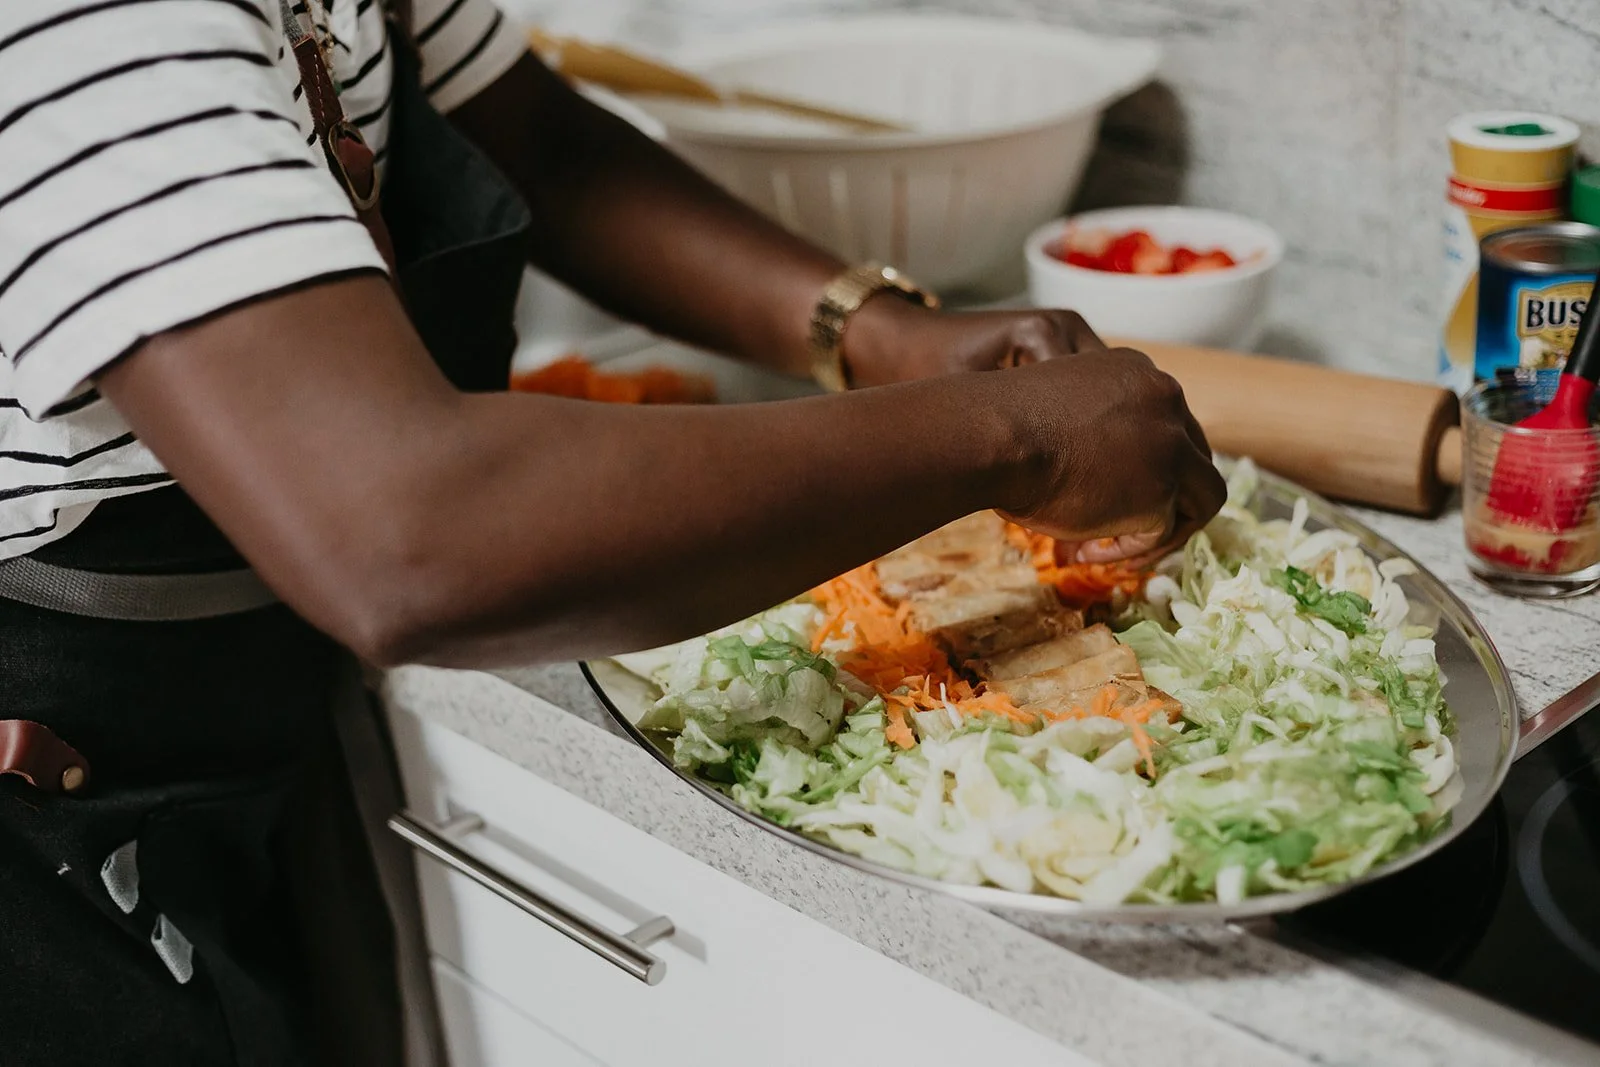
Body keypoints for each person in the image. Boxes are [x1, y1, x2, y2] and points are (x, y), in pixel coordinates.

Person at [0, 1, 1225, 1064]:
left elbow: (539, 145)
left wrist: (874, 333)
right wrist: (1012, 437)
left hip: (230, 712)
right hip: (55, 805)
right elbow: (413, 534)